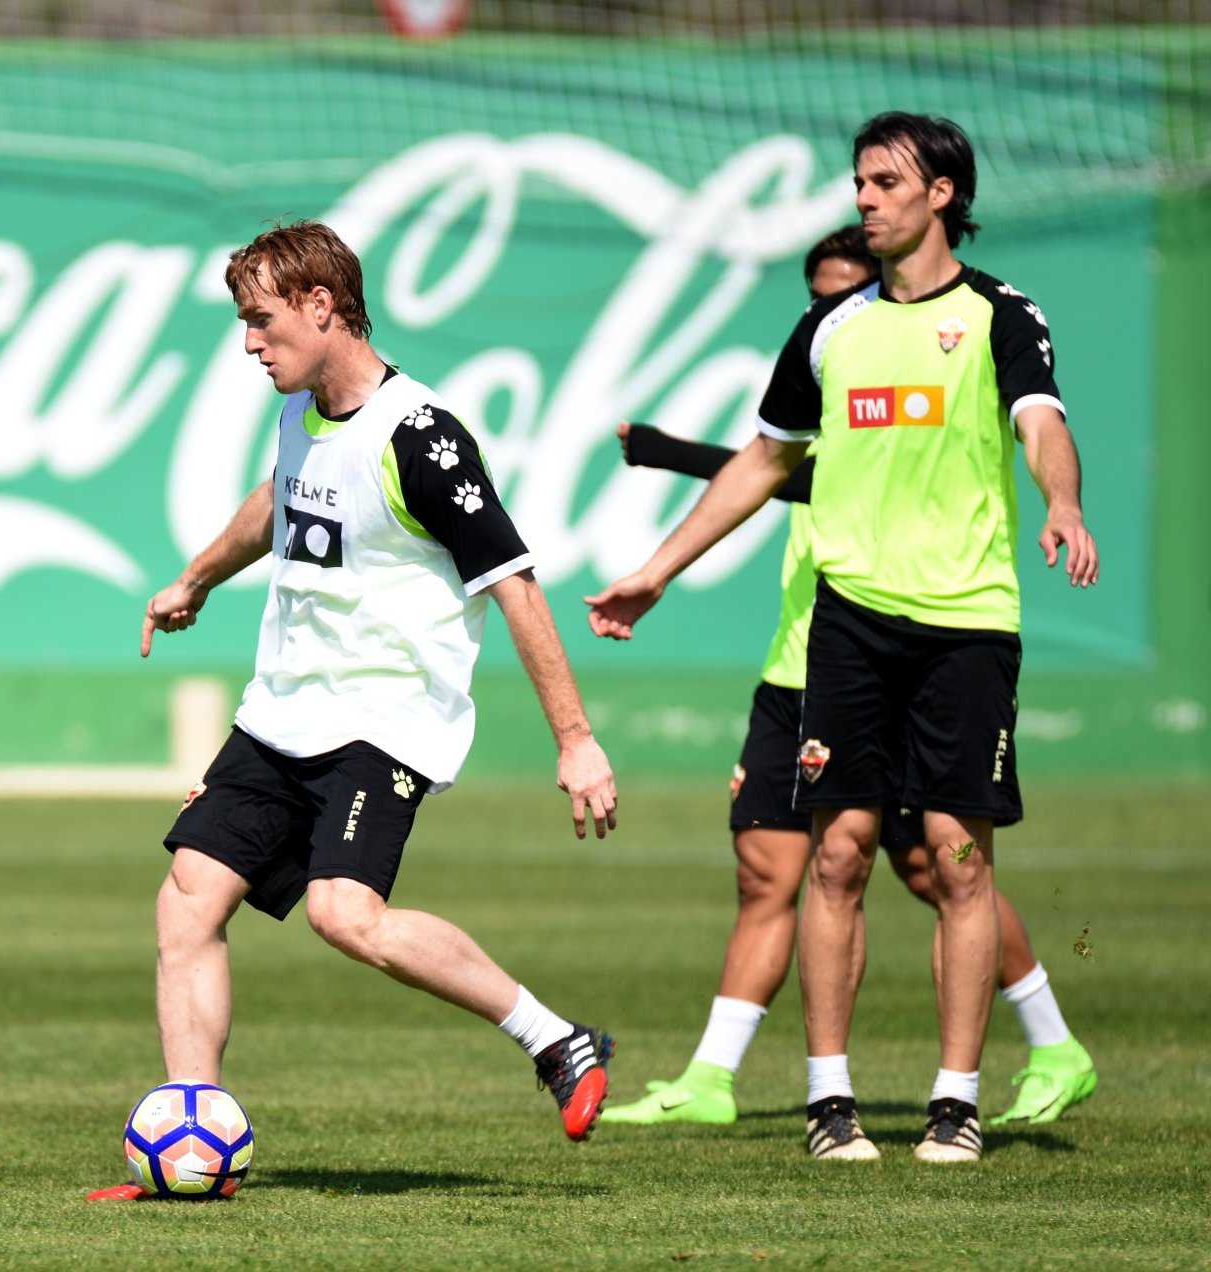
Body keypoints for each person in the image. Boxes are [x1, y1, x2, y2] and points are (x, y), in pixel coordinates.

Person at [586, 114, 1099, 1163]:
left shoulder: (1001, 314)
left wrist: (1062, 503)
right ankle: (830, 1104)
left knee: (957, 863)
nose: (863, 198)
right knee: (837, 856)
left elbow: (1040, 421)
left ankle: (954, 1103)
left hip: (964, 625)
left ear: (941, 194)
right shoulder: (828, 328)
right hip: (848, 625)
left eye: (883, 182)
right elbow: (760, 463)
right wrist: (654, 570)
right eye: (857, 182)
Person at [89, 221, 620, 1201]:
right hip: (283, 708)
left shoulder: (419, 436)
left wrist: (575, 740)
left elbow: (514, 584)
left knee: (344, 914)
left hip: (384, 721)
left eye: (259, 321)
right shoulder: (299, 410)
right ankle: (193, 1129)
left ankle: (555, 1038)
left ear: (319, 307)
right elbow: (280, 498)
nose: (248, 343)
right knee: (186, 899)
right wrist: (196, 577)